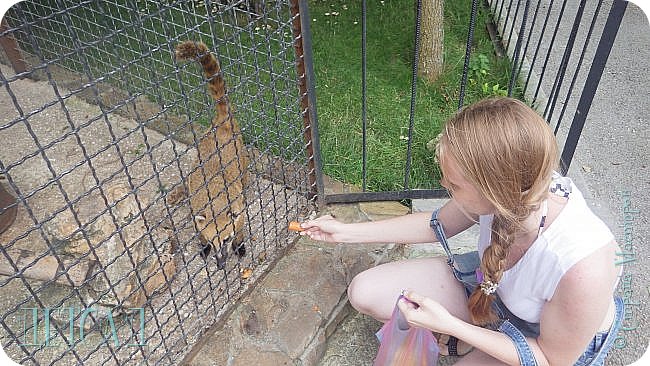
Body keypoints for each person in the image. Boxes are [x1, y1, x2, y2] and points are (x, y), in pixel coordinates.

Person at [300, 97, 624, 365]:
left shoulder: (583, 266)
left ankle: (474, 339)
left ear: (495, 190)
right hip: (492, 290)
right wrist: (344, 232)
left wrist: (449, 325)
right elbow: (437, 224)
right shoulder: (516, 185)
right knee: (365, 291)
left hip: (543, 339)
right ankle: (479, 334)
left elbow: (551, 358)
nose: (443, 186)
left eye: (453, 184)